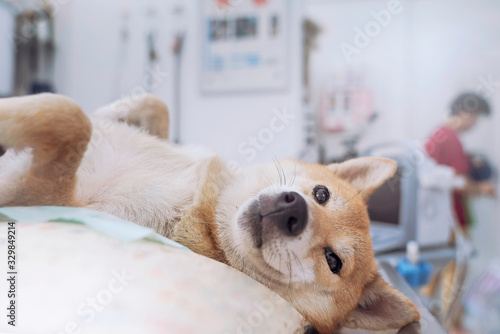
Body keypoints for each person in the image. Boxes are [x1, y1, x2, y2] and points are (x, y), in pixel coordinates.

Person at [425, 92, 495, 232]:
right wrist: (481, 188)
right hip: (451, 218)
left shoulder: (440, 134)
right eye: (476, 117)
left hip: (442, 215)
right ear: (466, 113)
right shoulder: (450, 138)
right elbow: (458, 180)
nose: (475, 123)